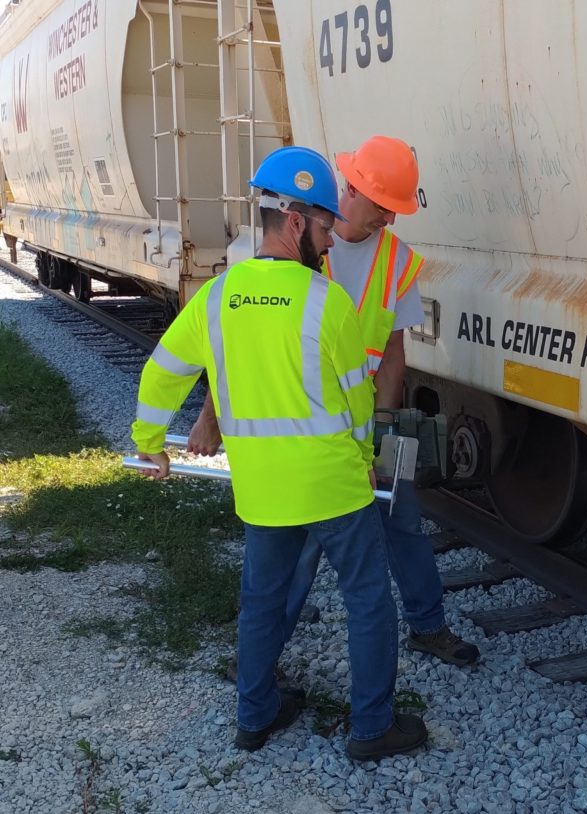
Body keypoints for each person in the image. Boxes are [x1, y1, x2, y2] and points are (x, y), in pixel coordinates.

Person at [131, 145, 427, 762]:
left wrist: (150, 445)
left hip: (262, 489)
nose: (328, 237)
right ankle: (372, 729)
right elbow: (354, 404)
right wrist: (366, 455)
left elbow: (162, 372)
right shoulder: (327, 304)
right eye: (323, 224)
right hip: (334, 488)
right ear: (295, 221)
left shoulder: (218, 298)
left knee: (262, 602)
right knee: (368, 601)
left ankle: (254, 716)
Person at [190, 136, 480, 668]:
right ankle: (262, 651)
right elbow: (234, 345)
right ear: (350, 190)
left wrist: (384, 432)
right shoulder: (293, 247)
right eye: (383, 208)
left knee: (403, 519)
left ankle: (428, 625)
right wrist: (210, 416)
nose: (389, 222)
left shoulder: (397, 261)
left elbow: (393, 355)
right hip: (309, 425)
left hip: (372, 415)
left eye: (396, 212)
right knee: (301, 544)